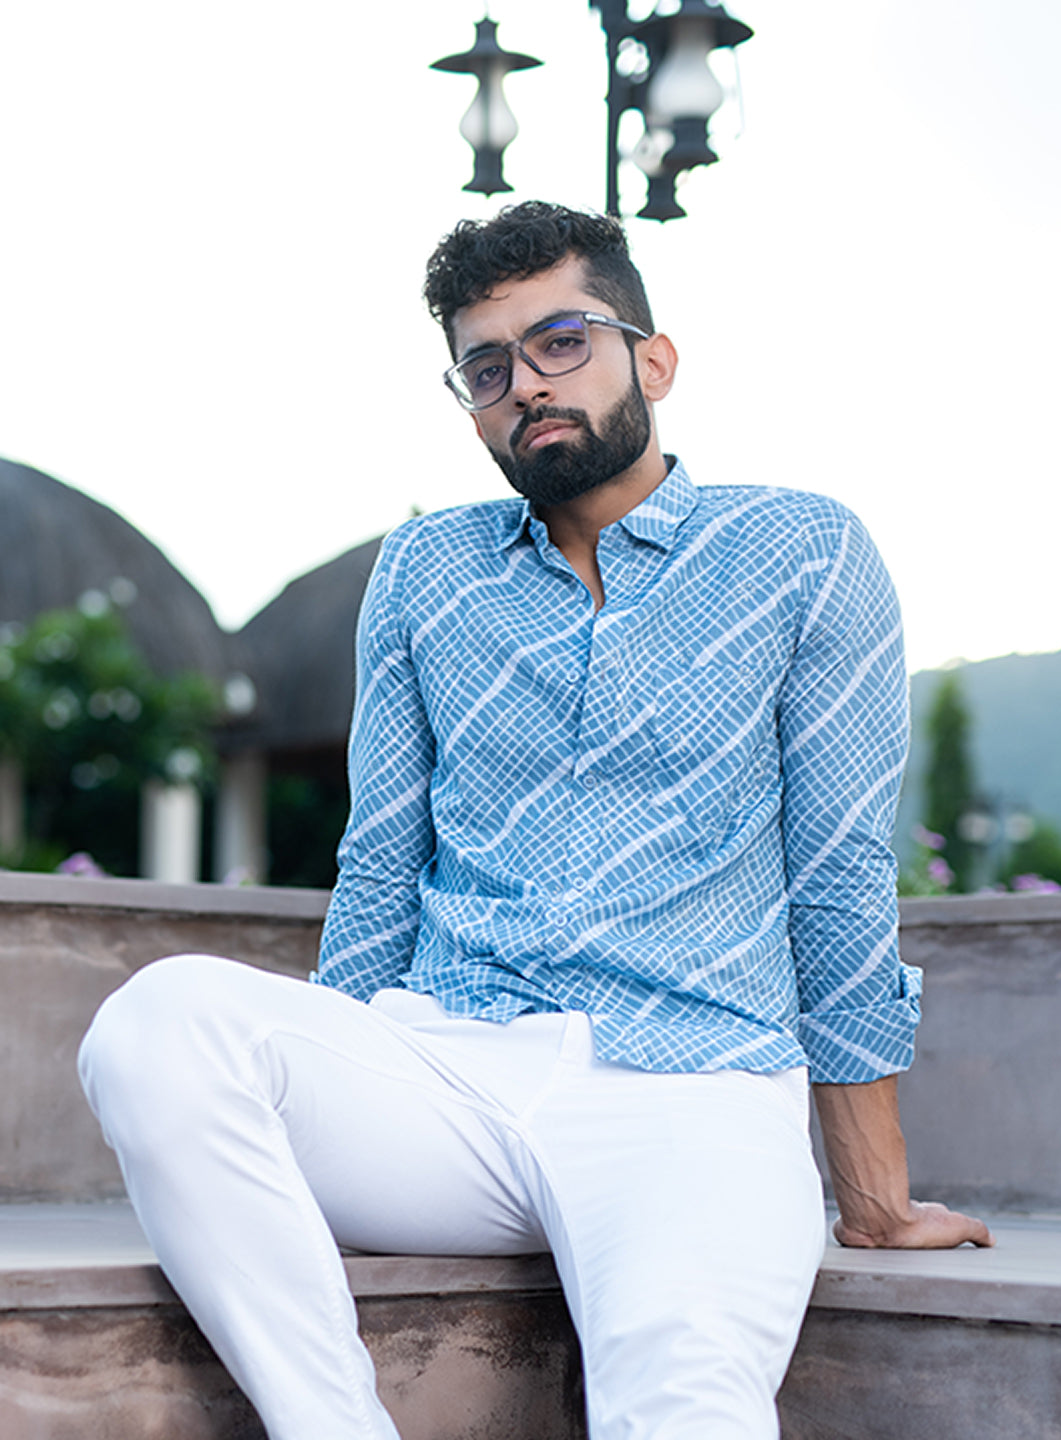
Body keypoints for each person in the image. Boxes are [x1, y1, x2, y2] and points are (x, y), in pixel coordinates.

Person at [79, 200, 991, 1440]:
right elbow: (382, 858)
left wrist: (872, 1190)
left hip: (694, 1090)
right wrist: (333, 1077)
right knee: (157, 1022)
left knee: (684, 1410)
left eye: (562, 341)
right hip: (448, 1075)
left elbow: (836, 872)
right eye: (488, 367)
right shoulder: (427, 569)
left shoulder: (802, 550)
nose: (527, 385)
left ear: (653, 360)